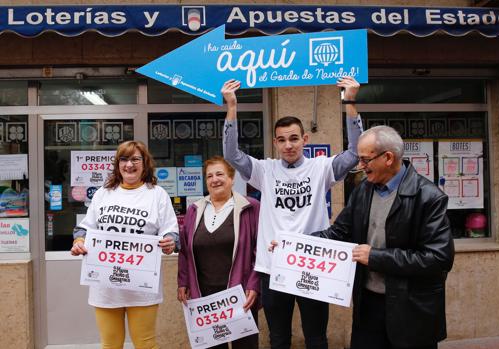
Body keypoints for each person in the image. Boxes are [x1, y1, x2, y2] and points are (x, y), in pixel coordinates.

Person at [222, 77, 363, 349]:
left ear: (305, 139)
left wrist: (350, 101)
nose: (289, 145)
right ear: (275, 142)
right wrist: (231, 107)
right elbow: (231, 155)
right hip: (272, 267)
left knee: (316, 337)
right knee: (278, 338)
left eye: (294, 139)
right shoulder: (265, 170)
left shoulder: (321, 168)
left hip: (312, 265)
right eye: (283, 140)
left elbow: (355, 153)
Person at [311, 125, 455, 349]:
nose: (360, 167)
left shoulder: (429, 197)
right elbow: (338, 232)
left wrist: (376, 257)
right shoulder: (362, 191)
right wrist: (292, 245)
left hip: (412, 312)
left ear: (388, 157)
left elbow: (438, 258)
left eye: (365, 160)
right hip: (367, 307)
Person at [70, 140, 179, 349]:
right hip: (106, 287)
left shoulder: (157, 194)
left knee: (146, 344)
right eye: (124, 159)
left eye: (135, 159)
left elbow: (171, 231)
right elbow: (85, 228)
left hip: (142, 287)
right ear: (117, 164)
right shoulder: (104, 193)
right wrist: (79, 242)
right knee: (110, 345)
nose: (129, 164)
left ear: (145, 164)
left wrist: (170, 242)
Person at [177, 156, 260, 349]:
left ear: (232, 178)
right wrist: (183, 281)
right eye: (209, 176)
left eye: (220, 174)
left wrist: (254, 284)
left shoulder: (250, 207)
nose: (215, 179)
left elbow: (260, 250)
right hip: (205, 297)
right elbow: (184, 251)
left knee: (245, 346)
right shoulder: (194, 210)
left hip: (240, 293)